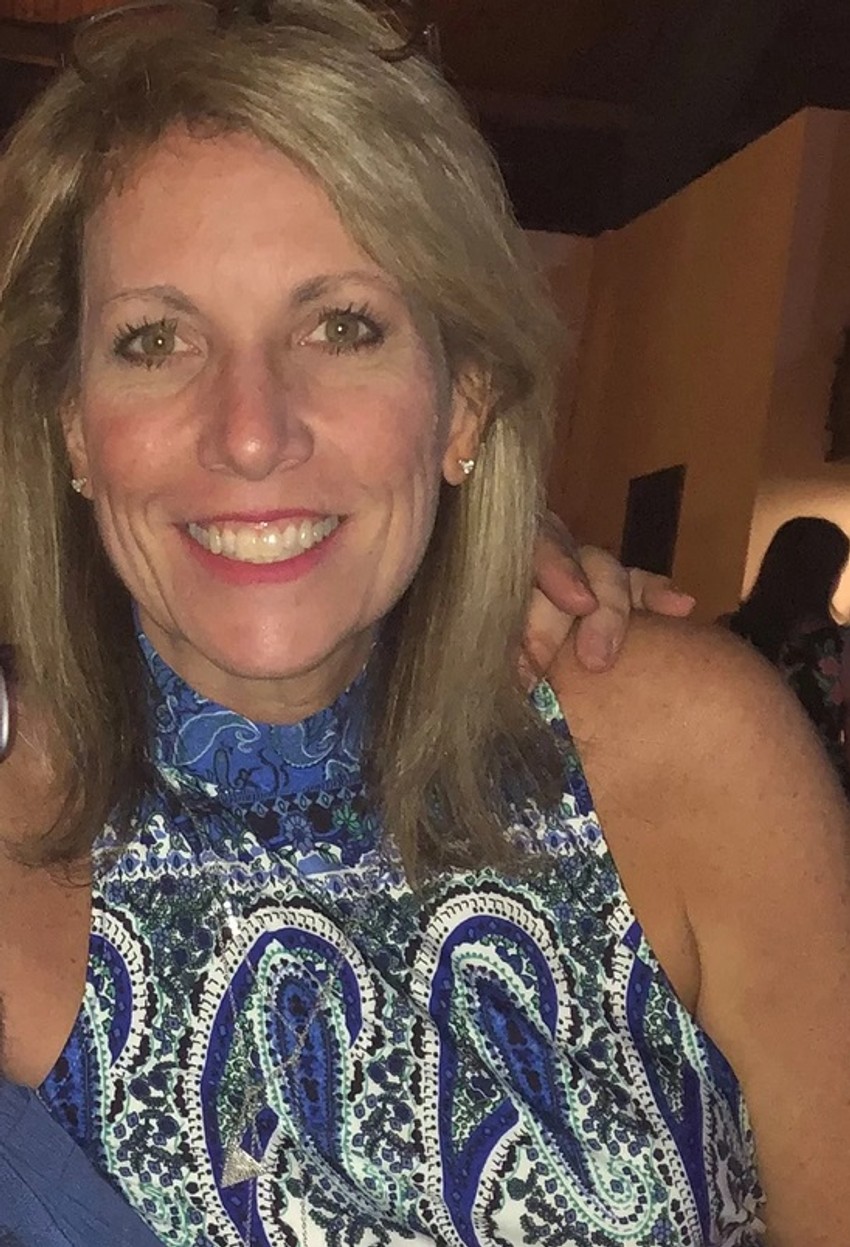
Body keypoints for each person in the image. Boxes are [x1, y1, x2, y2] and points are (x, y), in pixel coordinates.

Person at [0, 4, 848, 1246]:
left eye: (343, 326)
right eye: (155, 339)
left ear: (463, 399)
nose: (252, 431)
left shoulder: (681, 744)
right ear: (74, 426)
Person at [726, 516, 850, 794]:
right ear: (830, 576)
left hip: (739, 775)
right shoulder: (841, 646)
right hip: (818, 786)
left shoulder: (730, 633)